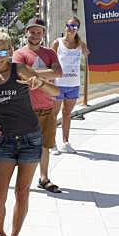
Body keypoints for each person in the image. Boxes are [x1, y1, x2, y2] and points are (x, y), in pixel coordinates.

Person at [0, 29, 60, 236]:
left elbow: (55, 91)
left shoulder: (20, 69)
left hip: (30, 139)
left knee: (22, 192)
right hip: (5, 142)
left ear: (11, 52)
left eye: (1, 51)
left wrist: (39, 82)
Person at [12, 17, 62, 193]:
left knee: (45, 145)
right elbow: (20, 72)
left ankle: (44, 177)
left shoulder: (50, 53)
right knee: (24, 147)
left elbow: (58, 72)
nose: (35, 35)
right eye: (32, 32)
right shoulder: (19, 54)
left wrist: (33, 73)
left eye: (38, 32)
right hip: (26, 110)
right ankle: (23, 180)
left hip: (47, 106)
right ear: (26, 32)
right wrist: (45, 74)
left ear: (43, 34)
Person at [50, 16, 89, 154]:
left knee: (67, 114)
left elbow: (90, 56)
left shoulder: (81, 45)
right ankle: (51, 143)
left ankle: (66, 142)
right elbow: (50, 62)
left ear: (78, 29)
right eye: (69, 26)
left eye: (75, 27)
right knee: (54, 114)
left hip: (73, 85)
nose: (71, 29)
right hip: (58, 84)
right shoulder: (57, 43)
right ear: (65, 27)